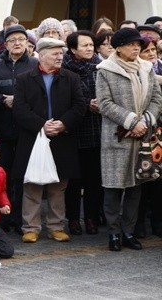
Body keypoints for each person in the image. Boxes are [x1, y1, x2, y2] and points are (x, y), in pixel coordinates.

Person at [12, 37, 85, 244]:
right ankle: (31, 227)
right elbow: (19, 109)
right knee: (33, 184)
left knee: (58, 186)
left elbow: (79, 106)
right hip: (34, 138)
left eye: (61, 53)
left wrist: (63, 124)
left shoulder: (71, 78)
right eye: (55, 53)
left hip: (62, 139)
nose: (60, 56)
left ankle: (56, 227)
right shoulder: (25, 79)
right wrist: (41, 125)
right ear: (41, 55)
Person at [95, 27, 162, 251]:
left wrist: (146, 121)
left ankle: (128, 232)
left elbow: (156, 98)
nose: (136, 49)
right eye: (131, 45)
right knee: (113, 187)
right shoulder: (105, 69)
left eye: (138, 45)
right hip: (117, 136)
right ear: (119, 48)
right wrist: (133, 121)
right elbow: (104, 103)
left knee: (136, 187)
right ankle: (113, 233)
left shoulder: (146, 68)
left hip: (142, 136)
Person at [0, 24, 38, 233]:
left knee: (23, 176)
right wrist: (3, 100)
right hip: (2, 130)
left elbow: (38, 95)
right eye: (12, 40)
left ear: (27, 42)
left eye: (21, 39)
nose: (17, 43)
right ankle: (3, 217)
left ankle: (20, 219)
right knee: (3, 176)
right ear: (6, 44)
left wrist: (17, 100)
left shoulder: (35, 65)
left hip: (26, 131)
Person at [62, 30, 103, 235]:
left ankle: (91, 218)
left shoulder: (101, 67)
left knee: (94, 179)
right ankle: (72, 219)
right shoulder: (64, 70)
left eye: (91, 45)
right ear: (72, 49)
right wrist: (87, 104)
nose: (89, 48)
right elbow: (63, 100)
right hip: (74, 131)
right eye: (84, 45)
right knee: (73, 180)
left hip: (97, 130)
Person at [133, 33, 162, 238]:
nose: (151, 54)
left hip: (160, 131)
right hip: (143, 129)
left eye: (153, 50)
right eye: (146, 50)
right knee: (143, 179)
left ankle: (158, 222)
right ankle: (139, 222)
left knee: (159, 181)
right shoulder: (136, 71)